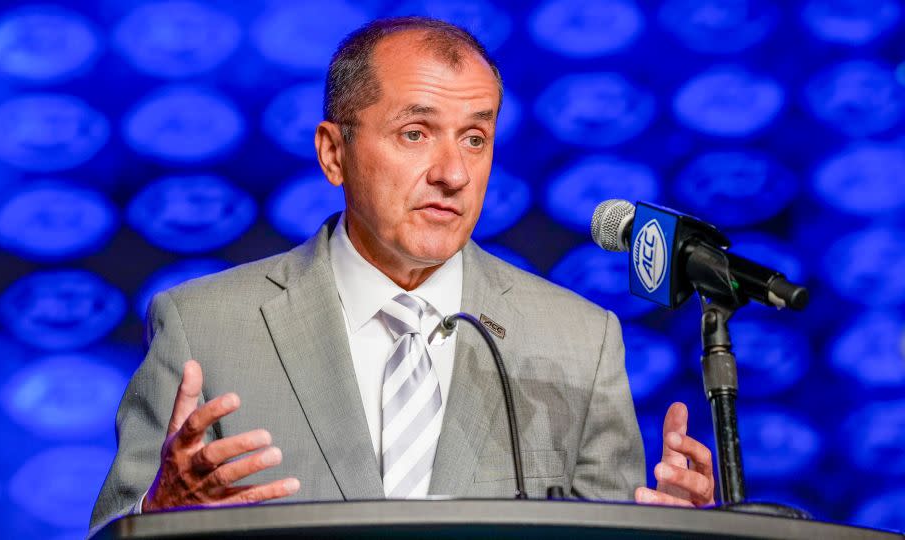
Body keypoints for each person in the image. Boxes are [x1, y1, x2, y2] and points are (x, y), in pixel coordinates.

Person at [90, 16, 715, 533]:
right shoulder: (205, 326)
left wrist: (675, 533)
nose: (453, 173)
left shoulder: (580, 339)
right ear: (334, 153)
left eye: (475, 138)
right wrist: (159, 516)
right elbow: (112, 529)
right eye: (416, 133)